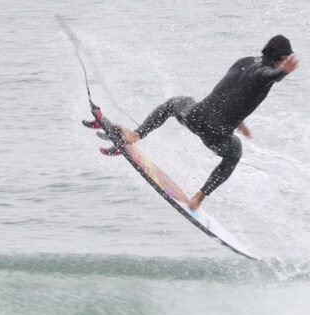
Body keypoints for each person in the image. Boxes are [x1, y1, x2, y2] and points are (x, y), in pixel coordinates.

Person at [118, 35, 299, 210]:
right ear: (282, 58)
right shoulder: (265, 73)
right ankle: (199, 196)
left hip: (195, 116)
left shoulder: (244, 62)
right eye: (287, 58)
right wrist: (282, 71)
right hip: (216, 133)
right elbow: (267, 75)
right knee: (234, 153)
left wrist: (238, 120)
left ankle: (136, 134)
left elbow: (234, 91)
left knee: (175, 103)